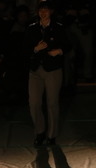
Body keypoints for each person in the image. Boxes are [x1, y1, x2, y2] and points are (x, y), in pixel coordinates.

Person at [24, 0, 70, 147]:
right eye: (41, 10)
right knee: (34, 103)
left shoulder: (58, 28)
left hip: (53, 70)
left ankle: (52, 135)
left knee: (52, 103)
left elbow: (68, 45)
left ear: (51, 11)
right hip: (36, 70)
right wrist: (36, 49)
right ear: (38, 12)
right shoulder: (31, 29)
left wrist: (59, 51)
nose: (43, 13)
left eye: (46, 10)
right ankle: (39, 132)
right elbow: (23, 49)